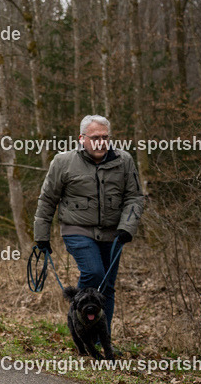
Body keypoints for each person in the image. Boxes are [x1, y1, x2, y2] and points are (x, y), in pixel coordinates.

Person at [34, 115, 146, 335]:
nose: (101, 142)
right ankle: (79, 327)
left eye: (105, 137)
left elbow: (134, 197)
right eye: (95, 137)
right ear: (82, 138)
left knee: (106, 288)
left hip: (113, 233)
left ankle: (101, 340)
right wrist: (42, 236)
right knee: (94, 273)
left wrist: (127, 227)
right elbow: (48, 199)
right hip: (77, 229)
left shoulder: (124, 160)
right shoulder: (63, 162)